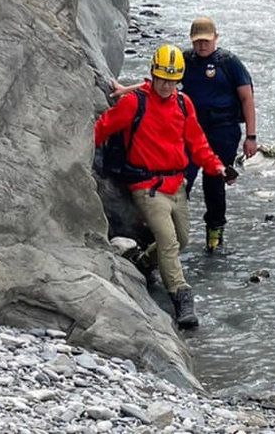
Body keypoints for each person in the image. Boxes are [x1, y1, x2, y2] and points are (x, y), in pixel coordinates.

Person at [95, 44, 235, 328]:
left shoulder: (183, 103)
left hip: (176, 185)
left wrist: (217, 167)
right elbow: (102, 127)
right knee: (169, 242)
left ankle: (144, 264)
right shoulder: (134, 102)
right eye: (161, 79)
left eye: (172, 81)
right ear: (152, 75)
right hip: (147, 186)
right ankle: (181, 297)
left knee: (181, 240)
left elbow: (197, 142)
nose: (166, 85)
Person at [181, 16, 257, 254]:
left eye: (205, 40)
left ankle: (215, 232)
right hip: (192, 128)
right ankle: (173, 230)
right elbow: (159, 85)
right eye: (197, 41)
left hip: (223, 129)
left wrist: (251, 137)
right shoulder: (185, 61)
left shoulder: (229, 62)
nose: (201, 46)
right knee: (183, 176)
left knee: (214, 181)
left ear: (216, 38)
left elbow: (247, 98)